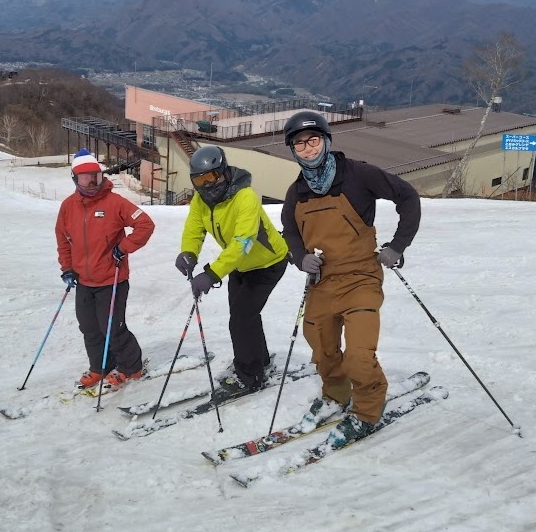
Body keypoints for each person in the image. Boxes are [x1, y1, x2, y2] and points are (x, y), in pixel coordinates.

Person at [280, 111, 421, 448]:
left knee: (358, 355)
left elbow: (407, 196)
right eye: (300, 144)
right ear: (293, 150)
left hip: (361, 278)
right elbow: (290, 232)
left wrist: (397, 246)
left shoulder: (358, 174)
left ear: (326, 140)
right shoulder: (297, 191)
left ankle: (368, 410)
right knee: (322, 347)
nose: (308, 148)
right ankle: (336, 394)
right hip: (323, 282)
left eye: (313, 140)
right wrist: (300, 257)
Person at [176, 145, 289, 392]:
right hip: (239, 264)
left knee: (241, 318)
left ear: (224, 172)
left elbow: (243, 242)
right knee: (243, 315)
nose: (207, 185)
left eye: (211, 177)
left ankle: (249, 375)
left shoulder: (245, 197)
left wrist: (212, 274)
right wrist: (188, 252)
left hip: (267, 263)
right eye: (199, 180)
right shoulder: (201, 200)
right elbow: (194, 228)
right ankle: (260, 361)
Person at [55, 148, 155, 389]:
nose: (92, 182)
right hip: (83, 280)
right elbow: (63, 239)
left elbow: (145, 224)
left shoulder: (115, 202)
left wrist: (123, 247)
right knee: (89, 328)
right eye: (85, 178)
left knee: (112, 328)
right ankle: (101, 366)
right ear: (75, 179)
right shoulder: (68, 206)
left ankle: (131, 367)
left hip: (112, 279)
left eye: (96, 176)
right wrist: (67, 268)